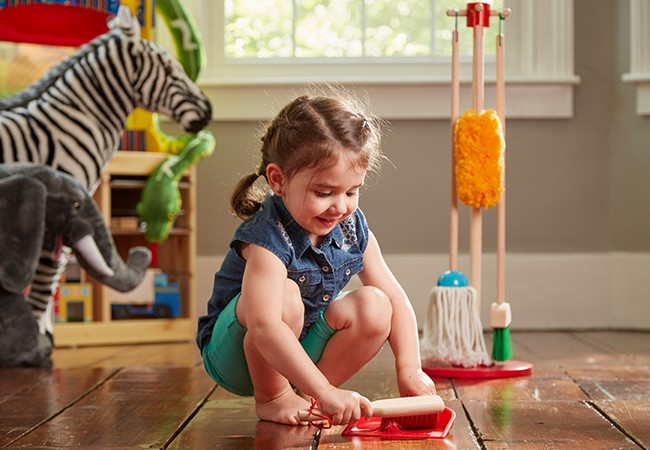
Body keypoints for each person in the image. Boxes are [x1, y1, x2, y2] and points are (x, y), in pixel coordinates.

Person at [196, 93, 436, 426]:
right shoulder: (267, 236)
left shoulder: (351, 226)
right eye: (324, 193)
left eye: (351, 191)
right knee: (287, 296)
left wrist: (410, 369)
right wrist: (326, 389)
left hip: (297, 352)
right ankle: (274, 397)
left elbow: (396, 299)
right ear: (278, 180)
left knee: (377, 306)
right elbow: (264, 325)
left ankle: (308, 399)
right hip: (236, 356)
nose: (340, 206)